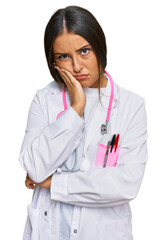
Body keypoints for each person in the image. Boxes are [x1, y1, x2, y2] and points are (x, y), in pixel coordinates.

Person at [19, 5, 148, 240]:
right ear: (53, 61)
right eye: (64, 56)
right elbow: (34, 168)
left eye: (84, 51)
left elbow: (125, 185)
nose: (77, 66)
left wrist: (52, 183)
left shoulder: (130, 106)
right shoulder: (44, 100)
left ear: (100, 47)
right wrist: (76, 109)